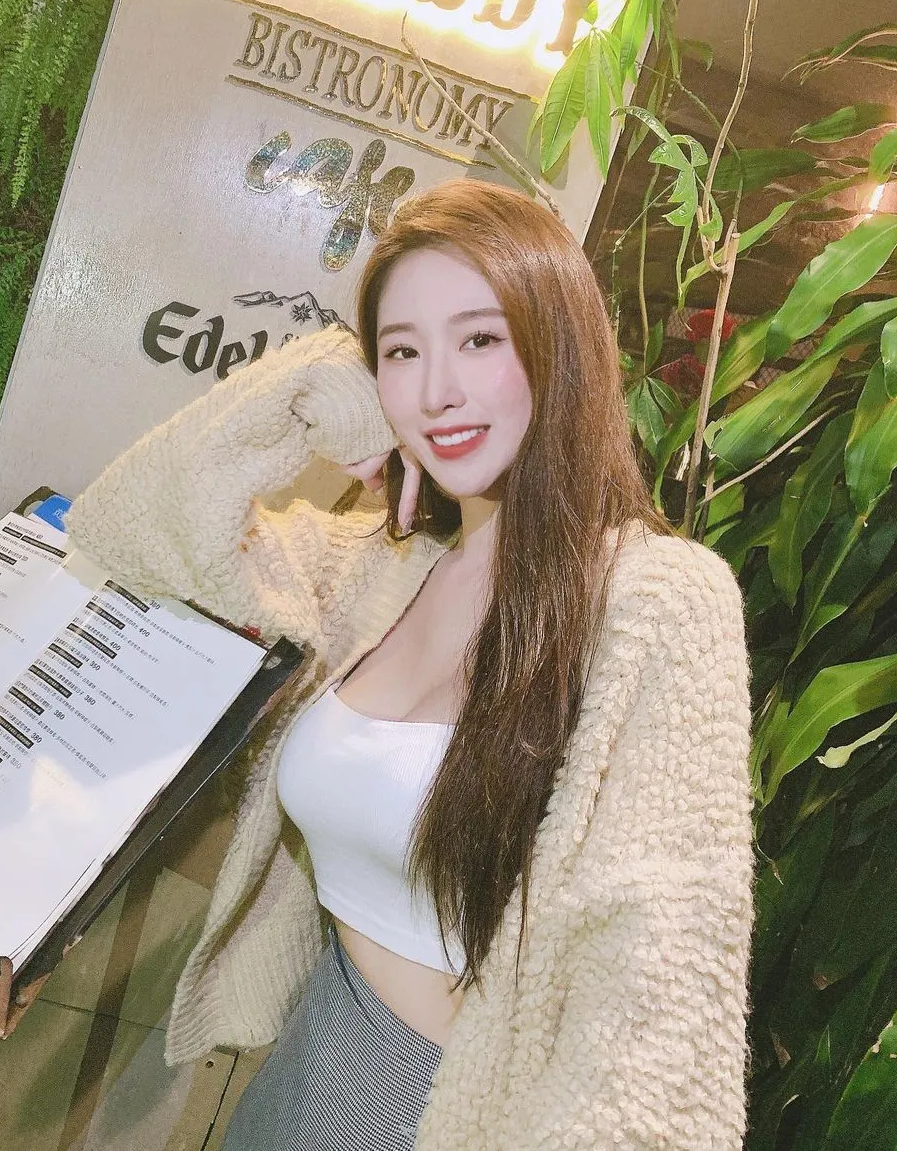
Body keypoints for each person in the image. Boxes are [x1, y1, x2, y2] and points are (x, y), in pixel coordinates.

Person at [66, 179, 753, 1150]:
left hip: (444, 1114)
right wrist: (315, 384)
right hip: (302, 1071)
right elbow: (134, 525)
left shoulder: (657, 600)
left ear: (560, 350)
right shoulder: (381, 571)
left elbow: (662, 978)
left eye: (479, 339)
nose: (436, 391)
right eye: (401, 351)